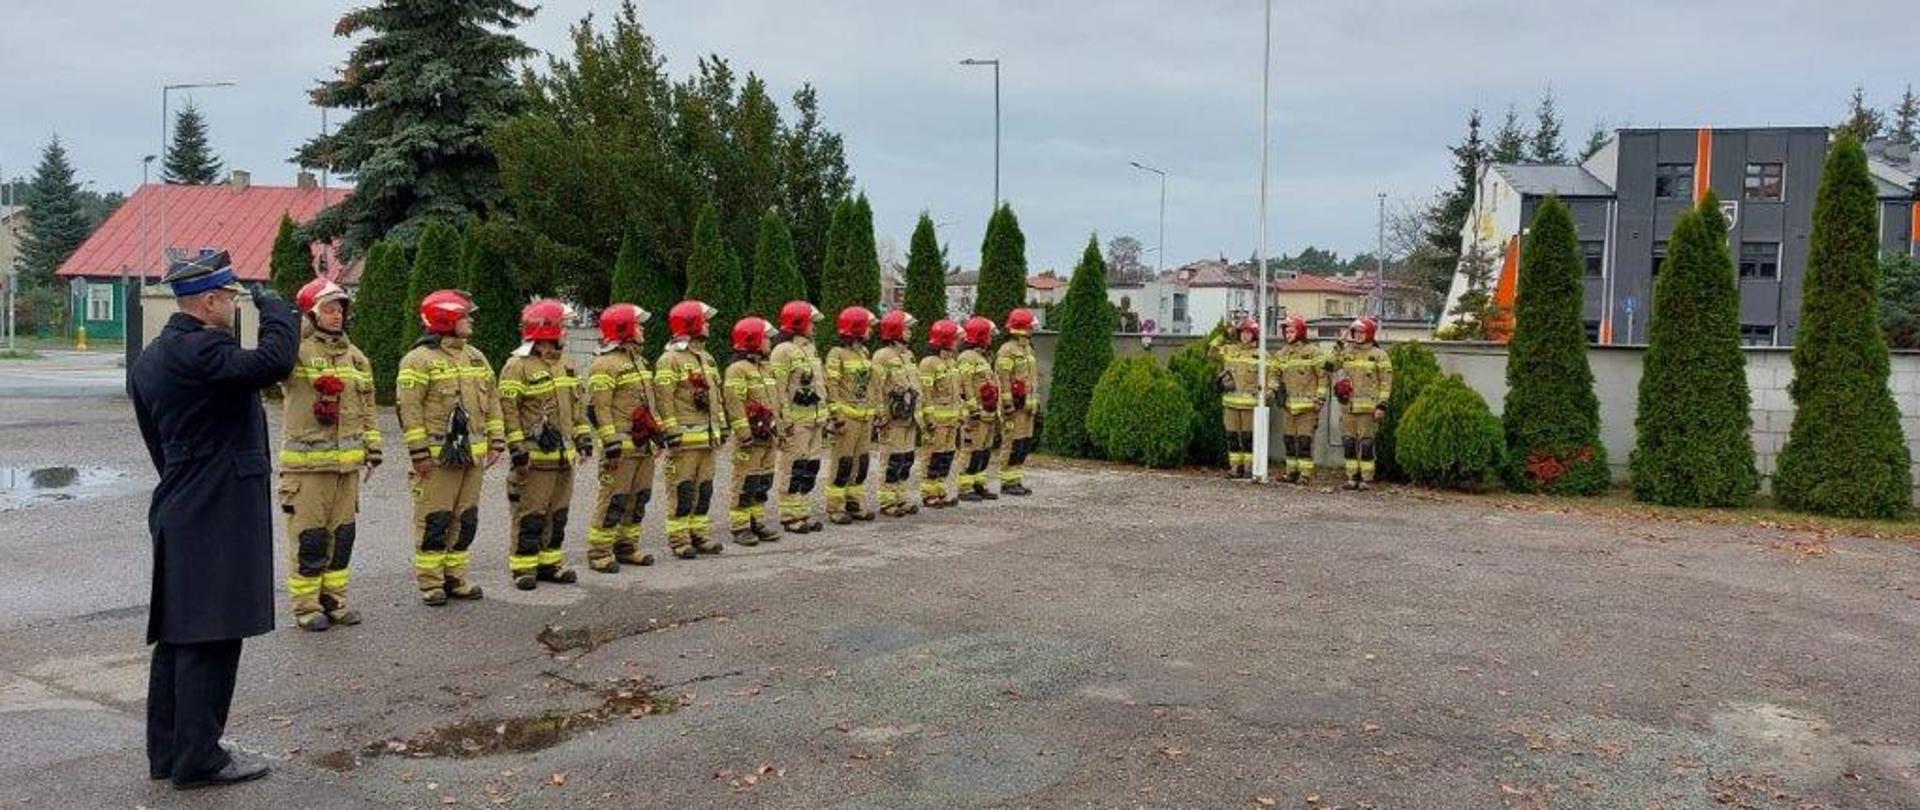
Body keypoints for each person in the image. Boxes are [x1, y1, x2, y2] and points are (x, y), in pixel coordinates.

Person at [129, 250, 295, 789]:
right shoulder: (203, 348)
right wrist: (276, 309)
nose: (232, 305)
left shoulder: (153, 356)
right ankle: (199, 759)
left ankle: (169, 752)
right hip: (215, 508)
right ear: (208, 302)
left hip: (181, 498)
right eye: (229, 297)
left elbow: (157, 442)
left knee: (179, 636)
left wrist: (189, 476)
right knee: (212, 635)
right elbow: (273, 363)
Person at [278, 277, 380, 632]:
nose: (337, 316)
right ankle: (306, 607)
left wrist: (373, 450)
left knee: (342, 537)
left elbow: (368, 407)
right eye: (328, 309)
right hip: (307, 472)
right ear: (311, 313)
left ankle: (335, 601)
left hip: (346, 467)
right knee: (310, 539)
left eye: (340, 309)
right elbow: (274, 368)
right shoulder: (298, 351)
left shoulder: (356, 357)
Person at [396, 290, 506, 605]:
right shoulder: (418, 360)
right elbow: (410, 411)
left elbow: (493, 402)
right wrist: (419, 454)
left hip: (472, 457)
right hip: (436, 460)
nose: (470, 320)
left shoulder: (476, 357)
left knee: (465, 518)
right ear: (446, 318)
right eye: (464, 315)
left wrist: (496, 442)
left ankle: (456, 577)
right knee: (435, 520)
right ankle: (431, 583)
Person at [498, 300, 593, 590]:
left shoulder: (567, 364)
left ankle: (551, 565)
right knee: (530, 515)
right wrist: (518, 451)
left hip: (564, 457)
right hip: (535, 459)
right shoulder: (517, 366)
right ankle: (524, 569)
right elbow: (508, 412)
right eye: (562, 326)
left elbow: (577, 408)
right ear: (547, 329)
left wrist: (583, 438)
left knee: (557, 514)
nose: (566, 331)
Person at [585, 303, 663, 573]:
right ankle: (599, 553)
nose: (643, 330)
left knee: (638, 499)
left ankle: (627, 547)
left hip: (642, 446)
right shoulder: (604, 364)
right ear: (624, 329)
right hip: (621, 448)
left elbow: (649, 404)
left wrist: (658, 433)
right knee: (613, 500)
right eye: (638, 325)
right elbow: (598, 408)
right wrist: (611, 443)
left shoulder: (639, 362)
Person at [655, 300, 729, 557]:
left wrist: (721, 425)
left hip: (707, 438)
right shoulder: (670, 360)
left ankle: (700, 535)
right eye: (704, 320)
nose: (707, 325)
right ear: (691, 323)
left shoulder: (706, 358)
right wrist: (671, 432)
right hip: (684, 440)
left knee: (704, 490)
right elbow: (664, 399)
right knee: (682, 491)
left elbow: (715, 395)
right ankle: (679, 540)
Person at [768, 301, 828, 534]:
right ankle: (790, 515)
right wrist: (784, 422)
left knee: (810, 466)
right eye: (811, 322)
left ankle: (803, 511)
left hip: (815, 420)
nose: (814, 327)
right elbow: (778, 390)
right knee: (793, 467)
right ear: (799, 323)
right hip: (796, 421)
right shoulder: (783, 351)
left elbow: (819, 385)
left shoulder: (810, 349)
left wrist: (826, 413)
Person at [724, 316, 783, 544]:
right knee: (745, 482)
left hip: (768, 436)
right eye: (766, 338)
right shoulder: (737, 370)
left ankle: (757, 522)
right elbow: (734, 403)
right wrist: (744, 434)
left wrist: (781, 430)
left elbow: (775, 402)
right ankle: (740, 527)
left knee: (762, 481)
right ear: (753, 340)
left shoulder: (766, 368)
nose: (770, 342)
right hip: (751, 438)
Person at [824, 307, 879, 524]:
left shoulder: (864, 353)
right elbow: (832, 386)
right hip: (847, 418)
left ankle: (854, 503)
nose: (870, 332)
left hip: (864, 417)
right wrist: (836, 416)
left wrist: (874, 412)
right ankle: (835, 507)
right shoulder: (836, 354)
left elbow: (871, 386)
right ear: (856, 328)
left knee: (861, 463)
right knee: (843, 463)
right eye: (867, 327)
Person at [1208, 315, 1275, 479]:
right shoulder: (1230, 350)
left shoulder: (1262, 355)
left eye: (1249, 333)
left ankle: (1248, 468)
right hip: (1230, 403)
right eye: (1242, 332)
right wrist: (1225, 334)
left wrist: (1270, 391)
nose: (1245, 336)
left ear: (1255, 335)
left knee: (1247, 438)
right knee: (1231, 437)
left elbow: (1272, 375)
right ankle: (1234, 468)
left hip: (1250, 405)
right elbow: (1211, 351)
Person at [1332, 315, 1393, 490]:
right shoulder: (1347, 352)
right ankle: (1352, 477)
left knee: (1366, 444)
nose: (1357, 335)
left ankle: (1366, 479)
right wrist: (1338, 344)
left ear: (1369, 333)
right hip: (1348, 408)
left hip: (1368, 409)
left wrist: (1382, 405)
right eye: (1355, 332)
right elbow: (1330, 366)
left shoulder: (1379, 355)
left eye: (1361, 332)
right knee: (1349, 443)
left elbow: (1386, 382)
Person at [871, 310, 922, 517]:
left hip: (908, 417)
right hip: (892, 419)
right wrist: (880, 414)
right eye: (907, 328)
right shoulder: (882, 356)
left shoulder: (908, 356)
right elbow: (876, 387)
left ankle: (901, 497)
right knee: (891, 459)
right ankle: (887, 501)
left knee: (906, 458)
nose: (910, 332)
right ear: (896, 330)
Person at [1275, 315, 1329, 484]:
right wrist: (1273, 388)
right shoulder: (1282, 353)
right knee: (1289, 441)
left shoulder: (1313, 352)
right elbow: (1274, 374)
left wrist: (1320, 399)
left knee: (1304, 442)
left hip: (1308, 407)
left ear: (1300, 332)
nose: (1288, 334)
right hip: (1289, 406)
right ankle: (1291, 473)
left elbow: (1323, 377)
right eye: (1286, 331)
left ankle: (1305, 475)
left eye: (1291, 331)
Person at [917, 319, 965, 508]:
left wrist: (961, 414)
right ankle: (929, 494)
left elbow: (957, 393)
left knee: (946, 457)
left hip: (952, 421)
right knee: (932, 457)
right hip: (936, 422)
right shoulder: (929, 363)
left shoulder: (952, 363)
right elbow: (925, 395)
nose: (958, 342)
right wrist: (928, 420)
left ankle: (940, 490)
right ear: (945, 340)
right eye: (955, 339)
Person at [993, 308, 1041, 495]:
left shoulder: (1027, 349)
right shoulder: (1007, 351)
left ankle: (1016, 479)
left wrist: (1035, 401)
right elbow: (1003, 379)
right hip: (1015, 408)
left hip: (1027, 407)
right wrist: (1007, 405)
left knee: (1023, 445)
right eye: (1030, 326)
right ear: (1021, 328)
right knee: (1012, 444)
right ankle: (1007, 482)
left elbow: (1032, 379)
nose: (1032, 330)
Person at [954, 316, 1002, 502]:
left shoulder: (982, 356)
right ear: (980, 335)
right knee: (971, 449)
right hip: (976, 414)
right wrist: (973, 408)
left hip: (987, 412)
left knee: (984, 449)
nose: (991, 338)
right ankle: (964, 487)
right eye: (989, 335)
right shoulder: (967, 357)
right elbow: (965, 385)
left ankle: (978, 483)